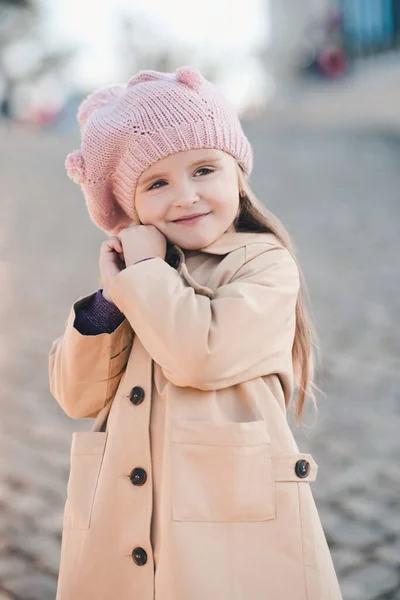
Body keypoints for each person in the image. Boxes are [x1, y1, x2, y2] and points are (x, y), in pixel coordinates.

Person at [48, 66, 343, 600]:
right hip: (123, 527)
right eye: (157, 183)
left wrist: (144, 277)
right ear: (128, 207)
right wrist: (106, 306)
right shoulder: (138, 279)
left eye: (203, 170)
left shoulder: (262, 265)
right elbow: (76, 395)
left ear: (237, 174)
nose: (185, 196)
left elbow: (201, 355)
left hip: (229, 539)